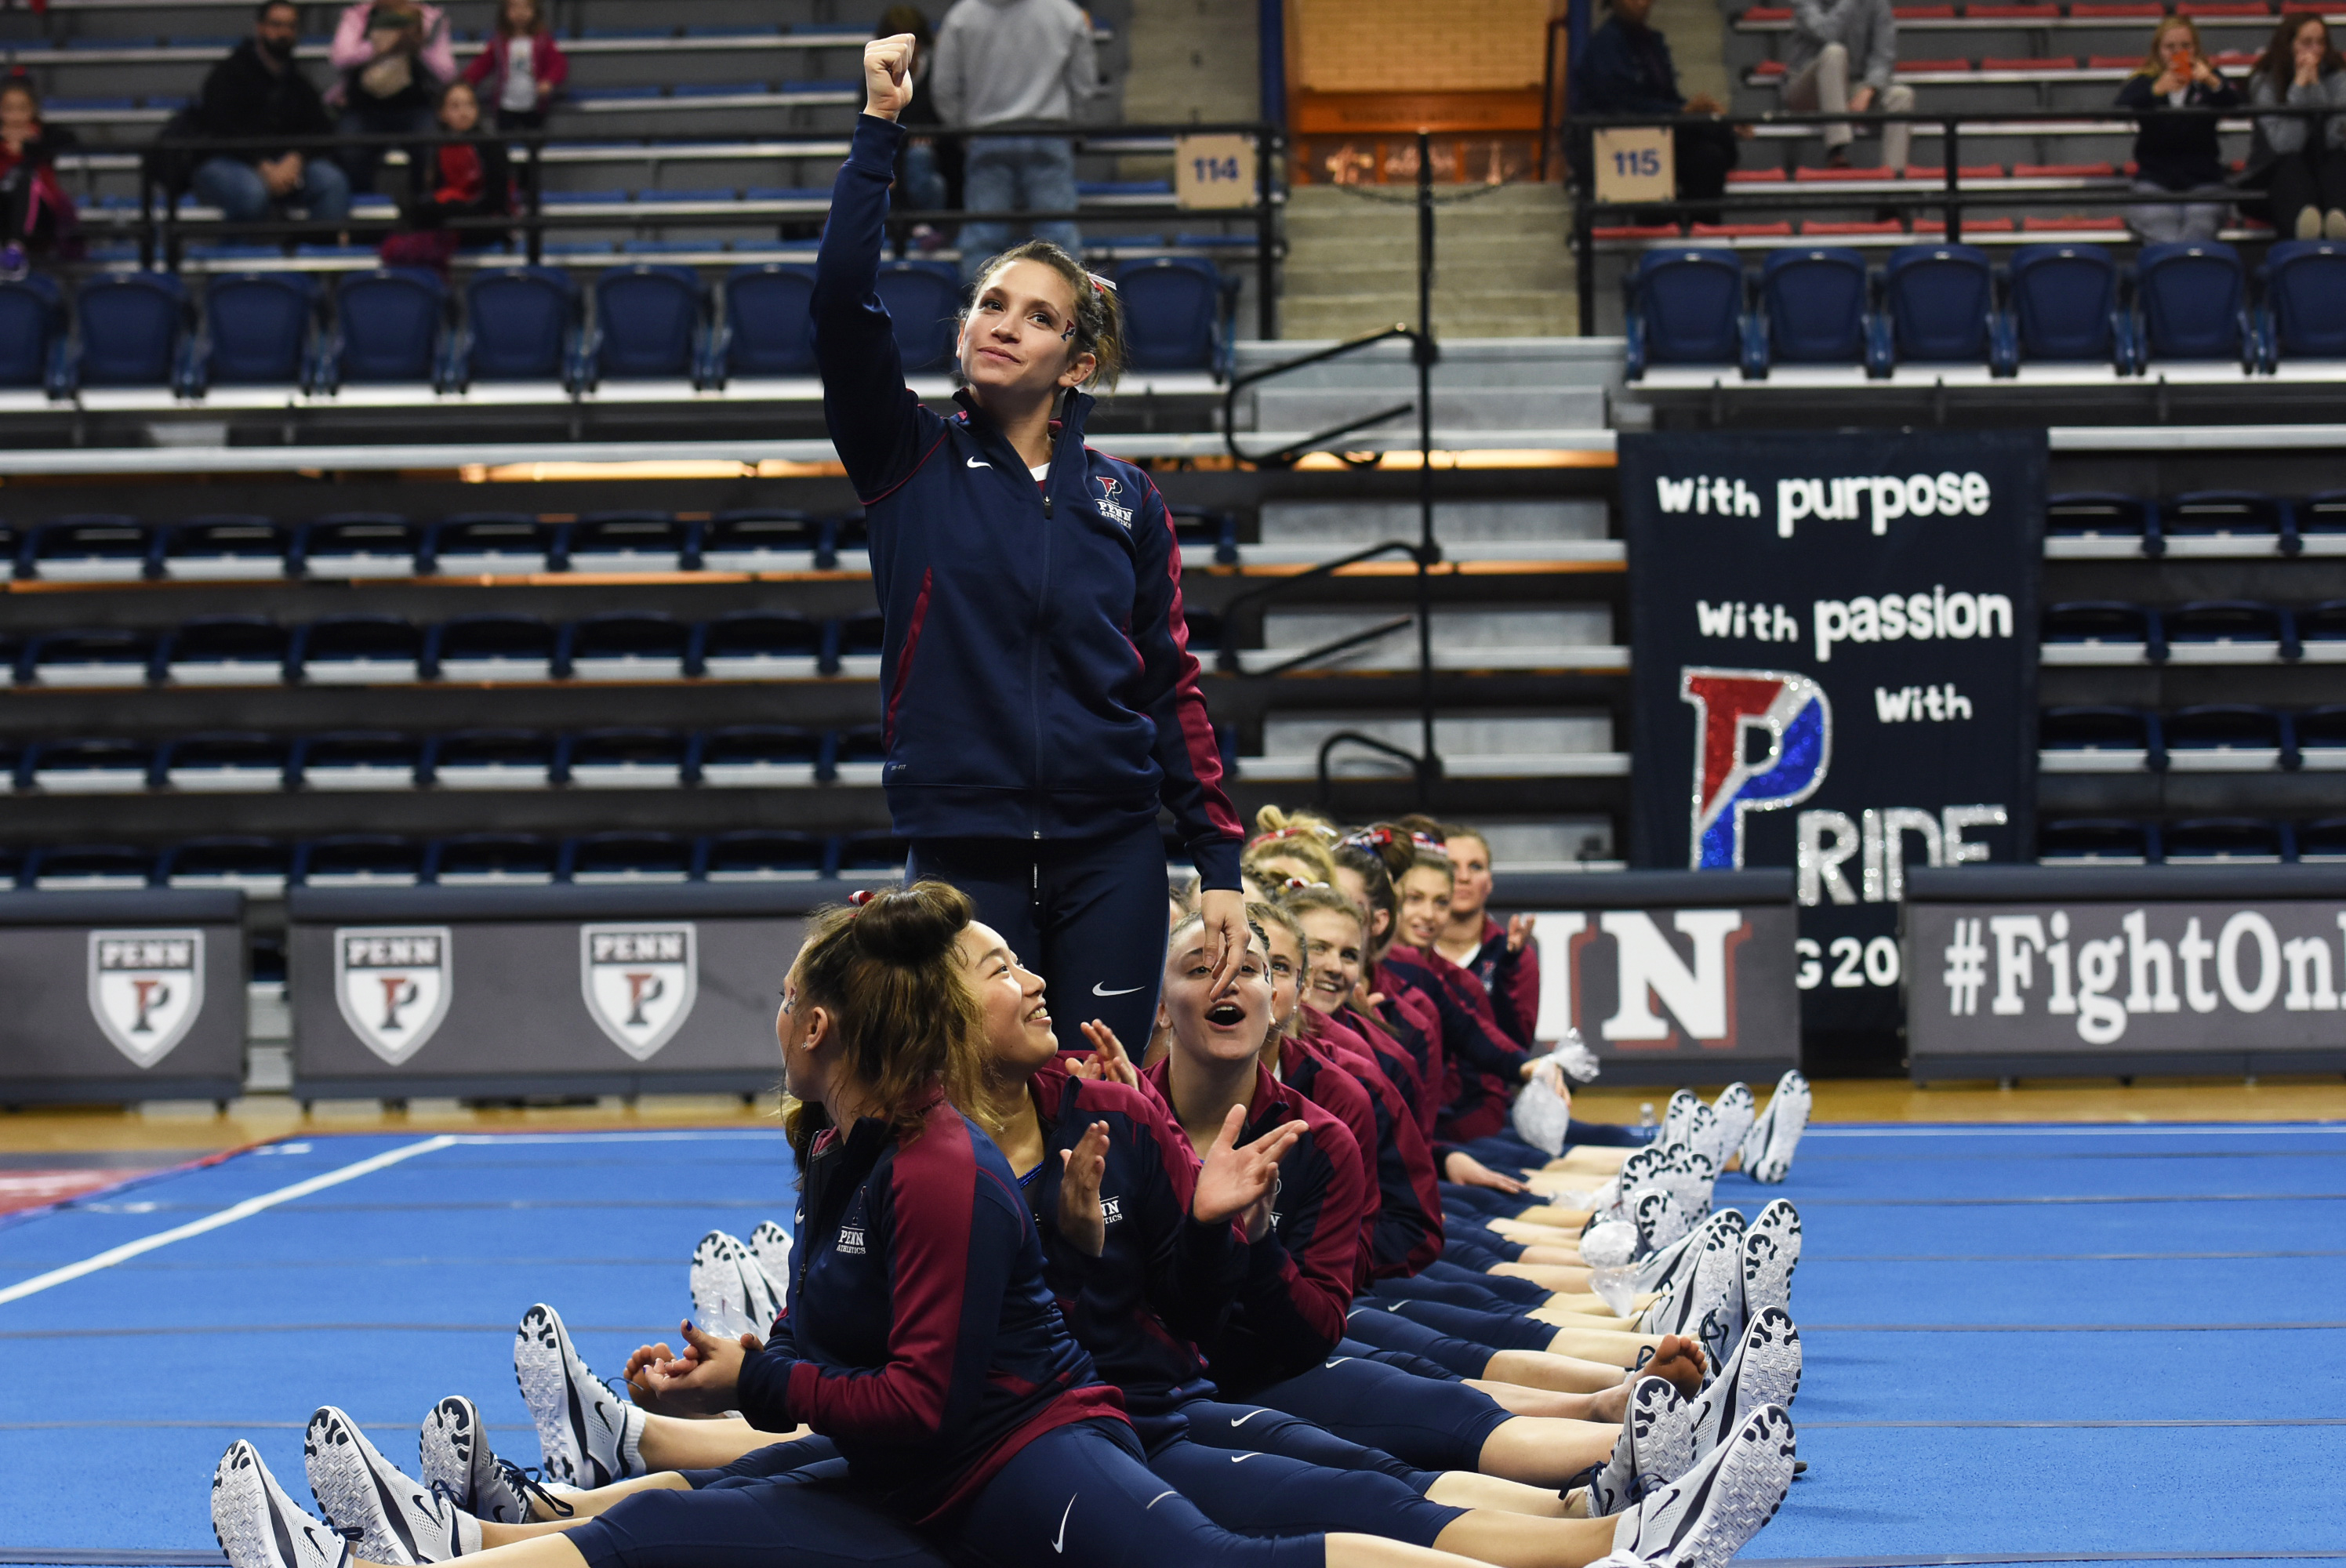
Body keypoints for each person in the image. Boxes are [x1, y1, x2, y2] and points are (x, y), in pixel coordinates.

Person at [815, 34, 1248, 1057]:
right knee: (975, 1101)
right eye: (990, 304)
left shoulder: (1125, 498)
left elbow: (1169, 684)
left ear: (1077, 362)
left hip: (1116, 848)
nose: (1001, 325)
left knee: (1094, 1107)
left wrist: (1218, 863)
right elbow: (840, 306)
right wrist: (880, 127)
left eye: (1037, 315)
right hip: (963, 849)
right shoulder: (906, 458)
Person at [930, 0, 1098, 286]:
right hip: (1048, 134)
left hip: (987, 137)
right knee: (1058, 238)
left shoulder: (962, 17)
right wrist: (1071, 126)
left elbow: (944, 88)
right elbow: (1084, 83)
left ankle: (980, 319)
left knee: (984, 240)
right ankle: (1067, 322)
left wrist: (965, 132)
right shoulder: (1063, 12)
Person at [190, 1, 352, 227]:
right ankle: (238, 259)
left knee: (332, 183)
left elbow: (320, 128)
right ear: (260, 28)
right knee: (251, 193)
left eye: (291, 26)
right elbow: (221, 129)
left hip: (285, 164)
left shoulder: (299, 83)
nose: (284, 33)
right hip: (228, 162)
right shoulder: (227, 75)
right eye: (276, 25)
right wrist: (261, 165)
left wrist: (297, 157)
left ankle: (317, 257)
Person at [1571, 0, 1738, 216]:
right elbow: (1620, 105)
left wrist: (1702, 112)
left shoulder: (1653, 42)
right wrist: (1680, 114)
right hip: (1620, 142)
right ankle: (1670, 231)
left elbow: (1668, 97)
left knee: (1711, 150)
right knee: (1705, 147)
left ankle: (1701, 234)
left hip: (1660, 134)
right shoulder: (1604, 46)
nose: (1640, 3)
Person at [2117, 15, 2240, 243]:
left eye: (2186, 46)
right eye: (2170, 47)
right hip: (2155, 180)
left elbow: (2236, 103)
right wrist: (2155, 91)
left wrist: (2211, 81)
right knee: (2164, 233)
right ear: (2158, 51)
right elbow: (2119, 108)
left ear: (2196, 48)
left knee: (2199, 230)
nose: (2178, 53)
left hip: (2204, 181)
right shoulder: (2145, 81)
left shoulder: (2209, 78)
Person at [1424, 824, 1541, 1055]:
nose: (1463, 877)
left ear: (1489, 882)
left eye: (1475, 867)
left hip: (1490, 1090)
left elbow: (1519, 1045)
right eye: (1451, 866)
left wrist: (1505, 970)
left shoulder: (1513, 955)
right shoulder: (1411, 950)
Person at [381, 79, 510, 271]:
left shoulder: (491, 146)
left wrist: (455, 206)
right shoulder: (436, 148)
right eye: (455, 106)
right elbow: (430, 189)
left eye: (469, 104)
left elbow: (496, 199)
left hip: (482, 220)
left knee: (433, 212)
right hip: (445, 218)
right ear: (442, 114)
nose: (464, 112)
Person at [330, 0, 457, 194]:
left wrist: (419, 46)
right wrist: (380, 47)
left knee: (430, 145)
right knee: (349, 147)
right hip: (364, 109)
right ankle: (365, 204)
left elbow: (447, 73)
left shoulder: (430, 19)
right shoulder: (358, 16)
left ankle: (422, 206)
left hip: (415, 108)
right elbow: (340, 58)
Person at [2242, 12, 2346, 240]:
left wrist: (2316, 85)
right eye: (2307, 43)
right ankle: (2304, 228)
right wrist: (2299, 87)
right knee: (2290, 166)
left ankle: (2340, 225)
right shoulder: (2265, 81)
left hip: (2327, 171)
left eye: (2321, 42)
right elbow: (2286, 143)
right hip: (2275, 175)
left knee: (2338, 160)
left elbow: (2334, 138)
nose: (2315, 50)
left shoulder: (2339, 78)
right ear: (2288, 45)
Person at [1781, 0, 1914, 172]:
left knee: (1901, 95)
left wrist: (1869, 89)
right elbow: (1827, 33)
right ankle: (1837, 149)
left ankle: (1894, 179)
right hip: (1806, 90)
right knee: (1834, 52)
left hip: (1852, 87)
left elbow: (1883, 55)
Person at [877, 5, 962, 253]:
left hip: (939, 164)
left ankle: (931, 225)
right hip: (893, 159)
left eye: (912, 46)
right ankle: (892, 228)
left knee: (920, 154)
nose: (906, 55)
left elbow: (949, 125)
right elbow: (872, 125)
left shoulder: (939, 76)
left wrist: (931, 138)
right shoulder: (876, 78)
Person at [0, 78, 78, 269]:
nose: (16, 117)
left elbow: (72, 141)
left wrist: (31, 145)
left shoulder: (46, 135)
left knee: (25, 179)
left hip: (42, 215)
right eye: (9, 109)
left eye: (23, 109)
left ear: (33, 110)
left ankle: (15, 248)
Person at [463, 0, 568, 133]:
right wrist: (466, 81)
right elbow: (482, 65)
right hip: (505, 104)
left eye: (526, 7)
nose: (520, 13)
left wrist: (549, 81)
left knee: (534, 142)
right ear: (505, 11)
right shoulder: (499, 42)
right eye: (514, 7)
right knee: (503, 142)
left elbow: (558, 64)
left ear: (535, 11)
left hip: (534, 104)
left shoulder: (543, 41)